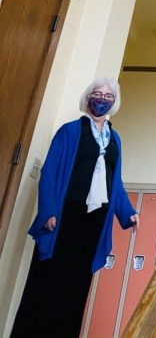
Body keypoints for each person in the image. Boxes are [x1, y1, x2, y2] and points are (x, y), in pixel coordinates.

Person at [11, 77, 139, 338]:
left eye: (108, 96)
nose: (102, 99)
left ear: (114, 102)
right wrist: (48, 211)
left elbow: (115, 182)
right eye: (97, 94)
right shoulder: (70, 131)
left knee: (76, 286)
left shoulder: (114, 139)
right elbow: (49, 172)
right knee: (48, 282)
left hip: (95, 221)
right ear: (88, 97)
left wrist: (128, 213)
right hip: (66, 216)